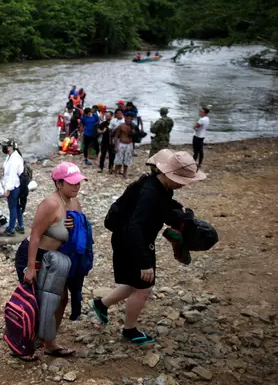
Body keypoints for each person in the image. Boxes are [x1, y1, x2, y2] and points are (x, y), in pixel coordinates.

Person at [92, 150, 206, 345]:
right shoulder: (150, 193)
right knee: (144, 287)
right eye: (182, 180)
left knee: (136, 282)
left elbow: (163, 205)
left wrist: (180, 210)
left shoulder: (158, 185)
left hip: (134, 239)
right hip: (131, 241)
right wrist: (144, 262)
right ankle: (129, 330)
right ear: (169, 174)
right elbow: (135, 226)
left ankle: (101, 304)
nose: (184, 184)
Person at [14, 162, 85, 359]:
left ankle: (49, 342)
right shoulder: (50, 204)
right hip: (34, 255)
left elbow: (81, 229)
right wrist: (30, 268)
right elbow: (35, 236)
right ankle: (23, 344)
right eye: (72, 183)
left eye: (78, 183)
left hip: (56, 259)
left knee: (61, 299)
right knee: (35, 301)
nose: (77, 187)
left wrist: (74, 225)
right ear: (59, 183)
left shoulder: (73, 202)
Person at [0, 138, 24, 237]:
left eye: (5, 146)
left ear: (10, 147)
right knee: (17, 207)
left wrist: (8, 189)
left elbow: (12, 176)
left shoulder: (14, 159)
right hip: (15, 186)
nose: (3, 148)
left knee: (12, 208)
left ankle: (11, 229)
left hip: (13, 187)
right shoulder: (11, 156)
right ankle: (20, 226)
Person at [113, 113, 136, 178]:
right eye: (128, 118)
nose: (129, 120)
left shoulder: (133, 126)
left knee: (127, 159)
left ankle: (125, 173)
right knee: (118, 159)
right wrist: (116, 146)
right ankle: (115, 172)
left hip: (129, 145)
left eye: (130, 119)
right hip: (121, 144)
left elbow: (136, 137)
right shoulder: (121, 126)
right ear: (125, 118)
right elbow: (116, 136)